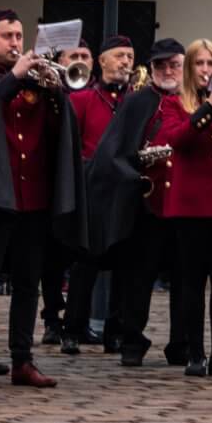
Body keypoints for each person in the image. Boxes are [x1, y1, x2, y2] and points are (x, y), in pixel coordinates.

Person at [0, 9, 86, 389]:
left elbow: (60, 131)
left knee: (28, 282)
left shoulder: (38, 82)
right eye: (7, 36)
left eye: (20, 36)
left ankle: (23, 359)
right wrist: (13, 78)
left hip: (34, 196)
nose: (16, 43)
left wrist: (55, 93)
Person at [86, 37, 186, 368]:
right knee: (138, 278)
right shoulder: (137, 101)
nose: (168, 71)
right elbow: (111, 151)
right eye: (161, 65)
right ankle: (132, 339)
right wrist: (133, 171)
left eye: (174, 64)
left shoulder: (192, 100)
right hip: (147, 203)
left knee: (185, 279)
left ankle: (182, 343)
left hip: (185, 203)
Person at [154, 38, 212, 377]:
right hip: (191, 205)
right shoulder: (175, 104)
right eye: (199, 64)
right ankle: (196, 352)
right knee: (192, 281)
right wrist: (207, 109)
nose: (206, 70)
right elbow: (176, 140)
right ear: (190, 68)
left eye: (211, 64)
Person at [61, 35, 134, 355]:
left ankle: (115, 331)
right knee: (86, 263)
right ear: (101, 60)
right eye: (119, 56)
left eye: (130, 57)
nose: (126, 62)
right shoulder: (82, 100)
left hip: (125, 190)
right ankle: (72, 329)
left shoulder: (135, 99)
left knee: (123, 264)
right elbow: (71, 145)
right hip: (92, 191)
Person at [40, 38, 96, 344]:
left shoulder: (94, 92)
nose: (81, 60)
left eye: (85, 55)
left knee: (80, 256)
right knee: (53, 255)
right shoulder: (51, 91)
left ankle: (78, 319)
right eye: (74, 55)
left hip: (86, 181)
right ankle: (51, 317)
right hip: (55, 181)